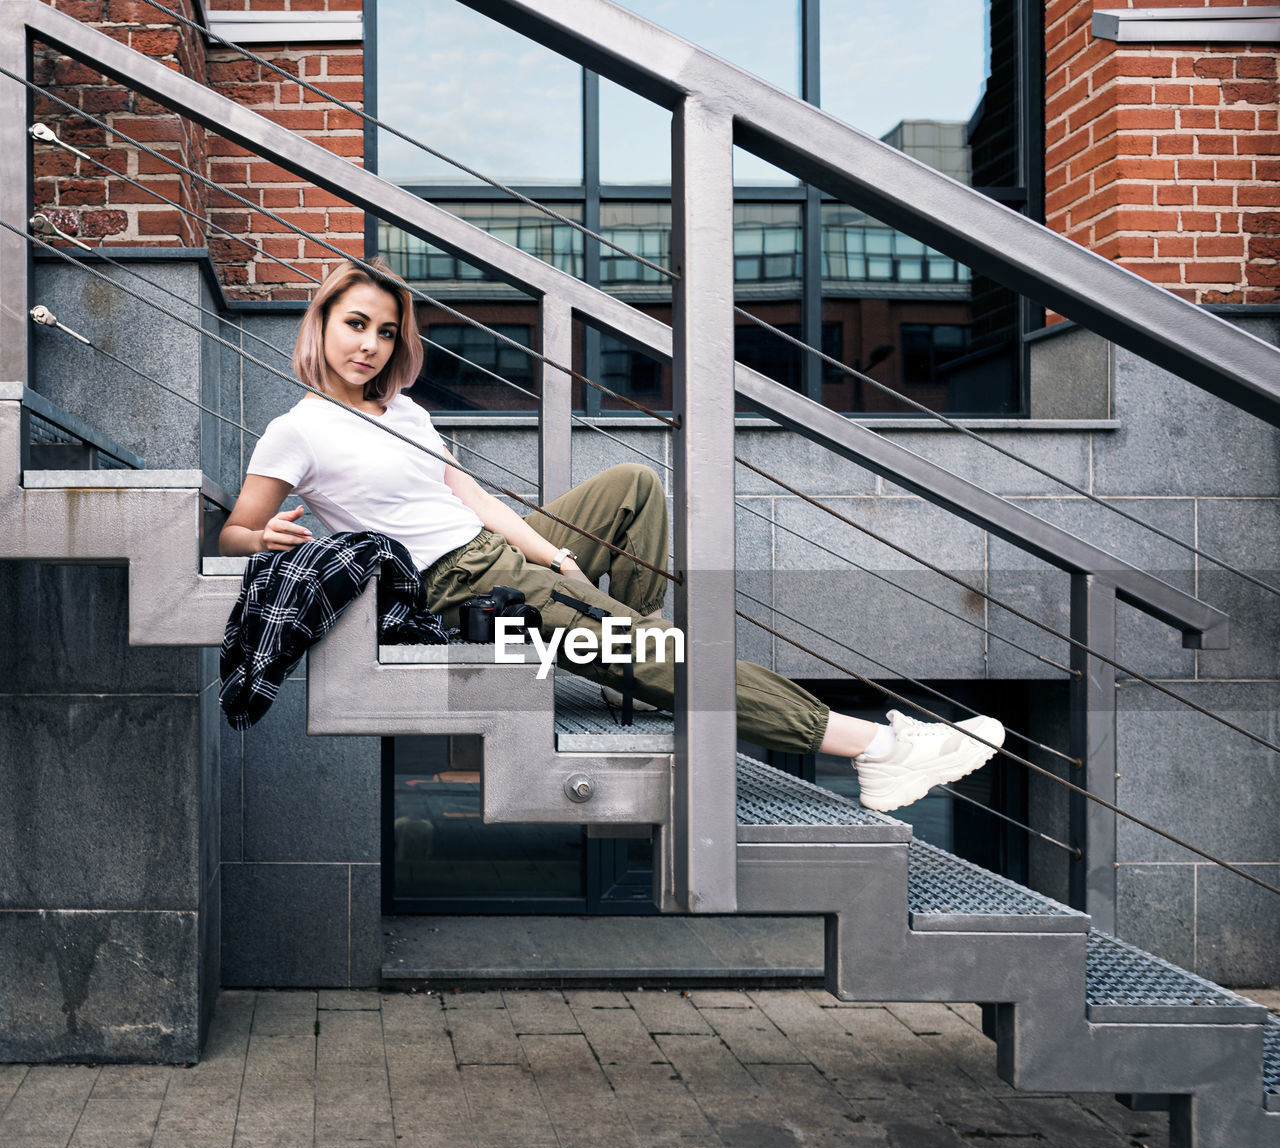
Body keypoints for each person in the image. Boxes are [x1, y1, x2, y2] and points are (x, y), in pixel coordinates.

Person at [219, 259, 1003, 812]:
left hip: (498, 551)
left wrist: (554, 553)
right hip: (456, 583)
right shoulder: (298, 430)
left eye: (386, 333)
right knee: (665, 651)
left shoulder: (406, 412)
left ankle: (614, 658)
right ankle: (875, 752)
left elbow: (469, 495)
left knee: (632, 487)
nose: (369, 345)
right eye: (355, 324)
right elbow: (234, 533)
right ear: (319, 323)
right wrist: (264, 542)